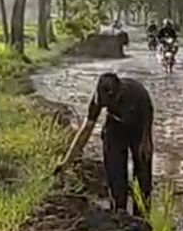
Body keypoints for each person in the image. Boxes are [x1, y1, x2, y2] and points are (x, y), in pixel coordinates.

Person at [55, 73, 154, 215]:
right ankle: (119, 213)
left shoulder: (136, 93)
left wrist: (147, 140)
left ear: (119, 93)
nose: (108, 105)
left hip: (139, 128)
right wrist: (66, 162)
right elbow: (86, 130)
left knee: (143, 177)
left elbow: (149, 115)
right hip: (114, 128)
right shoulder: (98, 99)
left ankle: (142, 217)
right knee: (115, 176)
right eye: (105, 103)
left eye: (111, 102)